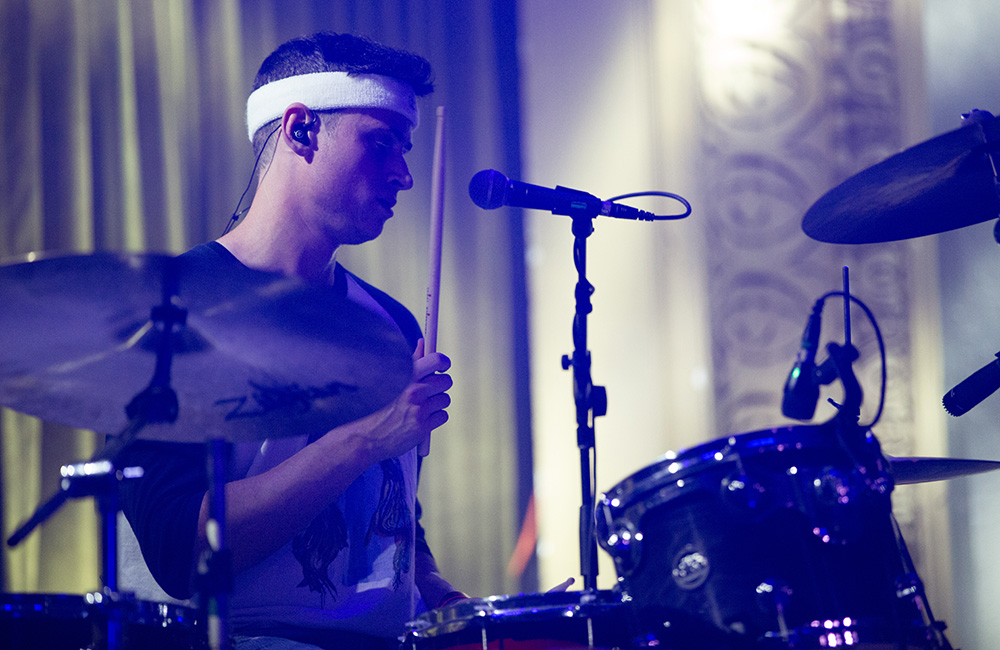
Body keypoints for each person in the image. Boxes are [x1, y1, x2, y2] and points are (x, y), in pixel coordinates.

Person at [117, 31, 464, 649]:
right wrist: (363, 438)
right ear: (301, 130)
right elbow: (179, 552)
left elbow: (391, 522)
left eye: (406, 150)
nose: (406, 177)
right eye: (381, 143)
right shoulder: (177, 311)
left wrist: (443, 596)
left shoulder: (392, 323)